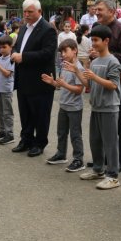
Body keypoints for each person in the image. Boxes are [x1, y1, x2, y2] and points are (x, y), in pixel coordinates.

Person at [10, 0, 57, 157]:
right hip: (23, 79)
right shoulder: (23, 28)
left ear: (39, 11)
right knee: (25, 112)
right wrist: (14, 54)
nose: (27, 14)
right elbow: (18, 47)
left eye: (30, 12)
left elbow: (47, 53)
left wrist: (23, 57)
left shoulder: (47, 29)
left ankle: (40, 142)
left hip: (40, 80)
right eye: (25, 11)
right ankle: (26, 140)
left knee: (40, 114)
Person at [92, 0, 121, 172]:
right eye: (95, 9)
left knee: (120, 121)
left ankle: (120, 160)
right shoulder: (96, 28)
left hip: (117, 80)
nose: (96, 12)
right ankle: (102, 159)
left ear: (111, 11)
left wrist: (105, 55)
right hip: (98, 78)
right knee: (100, 122)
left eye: (99, 9)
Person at [79, 25, 121, 189]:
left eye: (96, 40)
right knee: (95, 140)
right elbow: (88, 84)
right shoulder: (95, 61)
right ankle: (98, 169)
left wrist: (94, 76)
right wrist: (77, 71)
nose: (93, 43)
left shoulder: (113, 62)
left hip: (109, 107)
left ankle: (113, 175)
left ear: (106, 41)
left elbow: (113, 85)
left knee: (110, 143)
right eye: (92, 40)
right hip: (96, 106)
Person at [43, 38, 88, 173]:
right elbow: (60, 84)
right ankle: (61, 154)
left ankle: (78, 159)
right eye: (61, 51)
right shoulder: (64, 65)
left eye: (65, 51)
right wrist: (52, 82)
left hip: (74, 107)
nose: (62, 54)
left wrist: (64, 85)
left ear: (75, 50)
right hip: (63, 105)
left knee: (75, 134)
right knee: (61, 132)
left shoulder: (78, 68)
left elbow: (79, 90)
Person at [0, 35, 15, 145]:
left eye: (4, 47)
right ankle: (2, 131)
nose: (1, 49)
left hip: (6, 90)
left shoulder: (11, 60)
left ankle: (10, 134)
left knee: (7, 112)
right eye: (0, 47)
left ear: (10, 47)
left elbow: (7, 74)